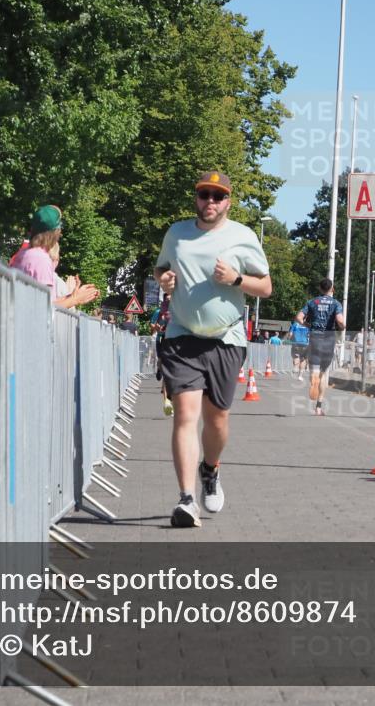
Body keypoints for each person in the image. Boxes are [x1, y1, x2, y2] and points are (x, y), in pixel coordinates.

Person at [155, 171, 271, 528]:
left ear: (228, 202)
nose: (210, 202)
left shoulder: (243, 237)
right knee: (185, 415)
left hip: (226, 339)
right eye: (204, 194)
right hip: (182, 336)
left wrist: (236, 279)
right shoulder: (176, 234)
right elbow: (161, 268)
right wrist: (164, 279)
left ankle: (211, 468)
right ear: (196, 198)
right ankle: (186, 499)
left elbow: (266, 287)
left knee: (217, 418)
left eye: (217, 196)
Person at [10, 205, 99, 308]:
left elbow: (46, 303)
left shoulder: (25, 253)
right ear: (55, 232)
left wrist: (73, 296)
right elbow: (45, 308)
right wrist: (75, 300)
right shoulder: (41, 259)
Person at [295, 278, 345, 415]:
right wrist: (342, 326)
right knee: (324, 372)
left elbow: (298, 317)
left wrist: (308, 325)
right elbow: (340, 320)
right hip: (329, 339)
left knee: (315, 369)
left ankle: (314, 378)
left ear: (320, 288)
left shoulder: (312, 302)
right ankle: (318, 407)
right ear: (332, 289)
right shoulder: (336, 303)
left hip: (315, 337)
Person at [150, 293, 174, 417]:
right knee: (165, 367)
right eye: (167, 300)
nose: (169, 302)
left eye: (171, 299)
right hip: (161, 338)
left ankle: (170, 400)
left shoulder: (177, 310)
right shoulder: (158, 312)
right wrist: (157, 328)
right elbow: (152, 325)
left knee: (172, 370)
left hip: (174, 340)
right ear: (164, 301)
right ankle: (167, 402)